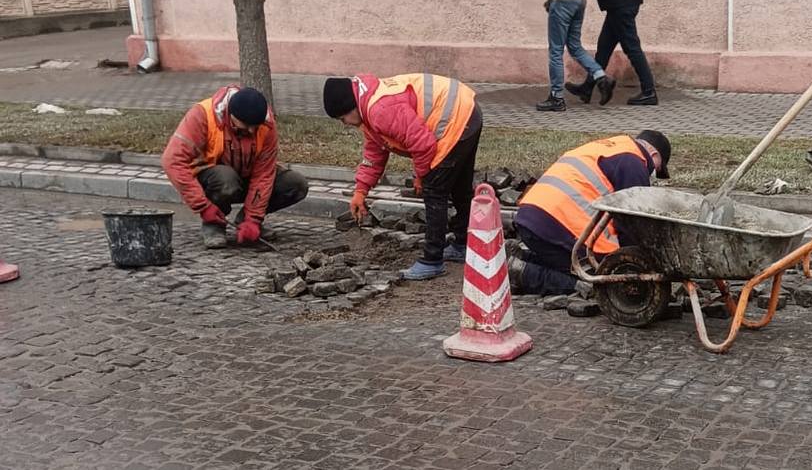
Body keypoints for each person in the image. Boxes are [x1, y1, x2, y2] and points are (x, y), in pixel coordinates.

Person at [323, 73, 482, 281]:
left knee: (434, 190)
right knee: (459, 186)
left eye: (342, 118)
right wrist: (360, 191)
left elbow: (423, 145)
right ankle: (462, 244)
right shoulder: (367, 107)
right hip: (466, 111)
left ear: (350, 107)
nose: (344, 123)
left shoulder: (380, 110)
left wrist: (421, 175)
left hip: (456, 119)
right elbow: (375, 152)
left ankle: (432, 260)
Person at [510, 130, 671, 296]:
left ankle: (522, 258)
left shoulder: (611, 147)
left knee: (567, 264)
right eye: (658, 168)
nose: (653, 173)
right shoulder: (634, 162)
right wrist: (633, 266)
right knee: (599, 282)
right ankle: (521, 273)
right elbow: (631, 223)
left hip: (532, 217)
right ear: (654, 154)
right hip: (553, 225)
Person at [162, 86, 308, 248]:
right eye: (246, 125)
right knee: (226, 178)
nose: (252, 130)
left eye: (255, 126)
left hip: (246, 177)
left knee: (295, 184)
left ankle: (244, 223)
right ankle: (215, 224)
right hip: (214, 180)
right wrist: (203, 206)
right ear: (230, 115)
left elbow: (264, 174)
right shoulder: (202, 115)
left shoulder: (266, 125)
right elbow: (172, 160)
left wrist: (252, 219)